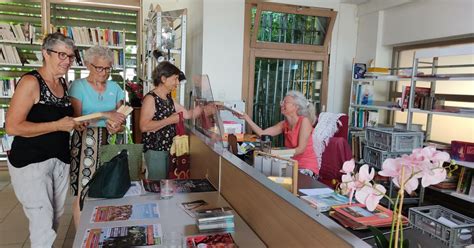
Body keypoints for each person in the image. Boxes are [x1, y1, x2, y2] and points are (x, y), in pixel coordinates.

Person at [5, 32, 83, 248]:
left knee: (53, 221)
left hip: (59, 160)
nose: (67, 61)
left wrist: (76, 123)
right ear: (45, 54)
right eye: (61, 55)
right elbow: (12, 126)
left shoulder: (63, 84)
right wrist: (58, 125)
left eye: (70, 56)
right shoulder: (31, 82)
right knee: (42, 224)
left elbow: (65, 119)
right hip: (31, 163)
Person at [69, 46, 126, 228]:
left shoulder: (115, 87)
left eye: (108, 68)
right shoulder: (78, 86)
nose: (104, 73)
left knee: (110, 186)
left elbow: (121, 116)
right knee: (83, 190)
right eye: (99, 68)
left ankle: (106, 230)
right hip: (86, 142)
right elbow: (76, 120)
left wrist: (117, 126)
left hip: (110, 141)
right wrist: (104, 114)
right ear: (88, 65)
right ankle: (82, 234)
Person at [238, 90, 319, 178]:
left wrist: (276, 153)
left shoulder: (304, 121)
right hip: (291, 165)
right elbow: (262, 133)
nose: (282, 104)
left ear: (296, 106)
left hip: (307, 167)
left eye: (286, 102)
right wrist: (246, 118)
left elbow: (300, 149)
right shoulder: (284, 124)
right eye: (282, 102)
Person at [140, 61, 195, 180]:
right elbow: (144, 126)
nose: (177, 83)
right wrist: (170, 120)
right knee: (158, 186)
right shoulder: (151, 98)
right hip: (155, 150)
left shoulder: (168, 98)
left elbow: (187, 114)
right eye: (175, 79)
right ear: (163, 79)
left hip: (168, 149)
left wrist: (205, 109)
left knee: (167, 185)